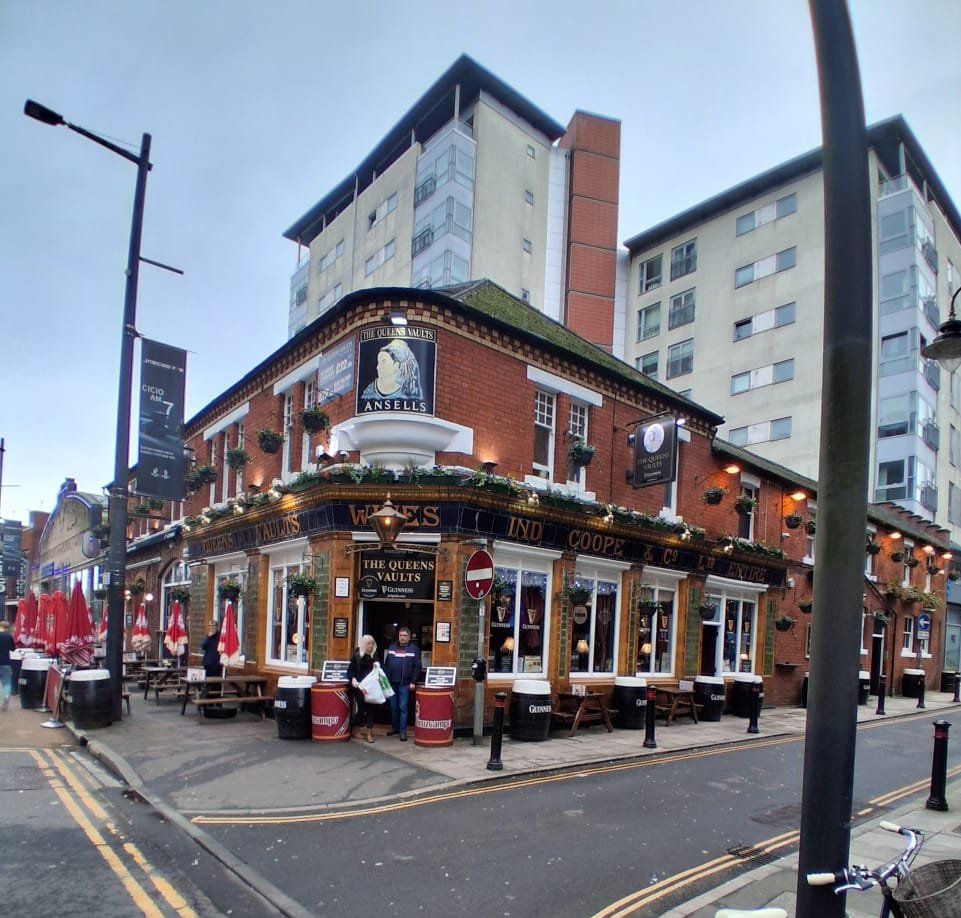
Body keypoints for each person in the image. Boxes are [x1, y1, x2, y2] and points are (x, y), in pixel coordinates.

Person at [383, 625, 421, 740]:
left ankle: (403, 732)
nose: (402, 637)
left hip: (405, 684)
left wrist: (413, 681)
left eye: (405, 635)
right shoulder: (392, 647)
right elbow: (386, 664)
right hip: (392, 683)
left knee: (403, 707)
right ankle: (395, 728)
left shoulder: (414, 649)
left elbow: (417, 667)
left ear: (409, 637)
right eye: (400, 635)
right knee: (393, 707)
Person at [347, 634, 379, 743]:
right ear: (364, 644)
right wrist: (353, 679)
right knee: (362, 709)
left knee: (371, 709)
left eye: (372, 643)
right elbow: (350, 670)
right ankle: (354, 728)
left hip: (372, 686)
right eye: (368, 644)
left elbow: (380, 669)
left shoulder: (375, 655)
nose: (370, 646)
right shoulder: (357, 655)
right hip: (360, 686)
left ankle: (369, 733)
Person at [0, 620, 14, 712]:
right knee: (7, 682)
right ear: (7, 628)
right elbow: (13, 648)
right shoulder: (8, 636)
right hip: (6, 662)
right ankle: (6, 696)